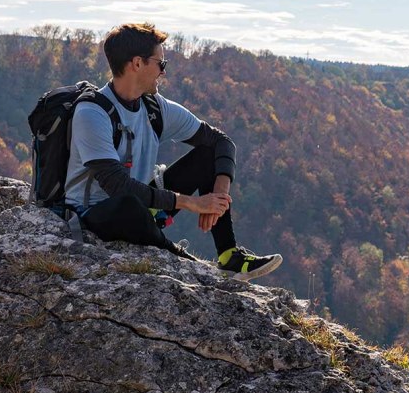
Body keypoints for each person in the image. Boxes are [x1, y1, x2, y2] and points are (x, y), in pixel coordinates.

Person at [63, 22, 281, 281]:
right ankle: (181, 259)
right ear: (137, 63)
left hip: (141, 209)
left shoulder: (155, 108)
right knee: (128, 205)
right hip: (95, 215)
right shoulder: (92, 113)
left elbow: (221, 142)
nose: (163, 73)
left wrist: (218, 197)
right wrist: (191, 202)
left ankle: (229, 256)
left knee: (206, 155)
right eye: (161, 64)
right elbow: (117, 186)